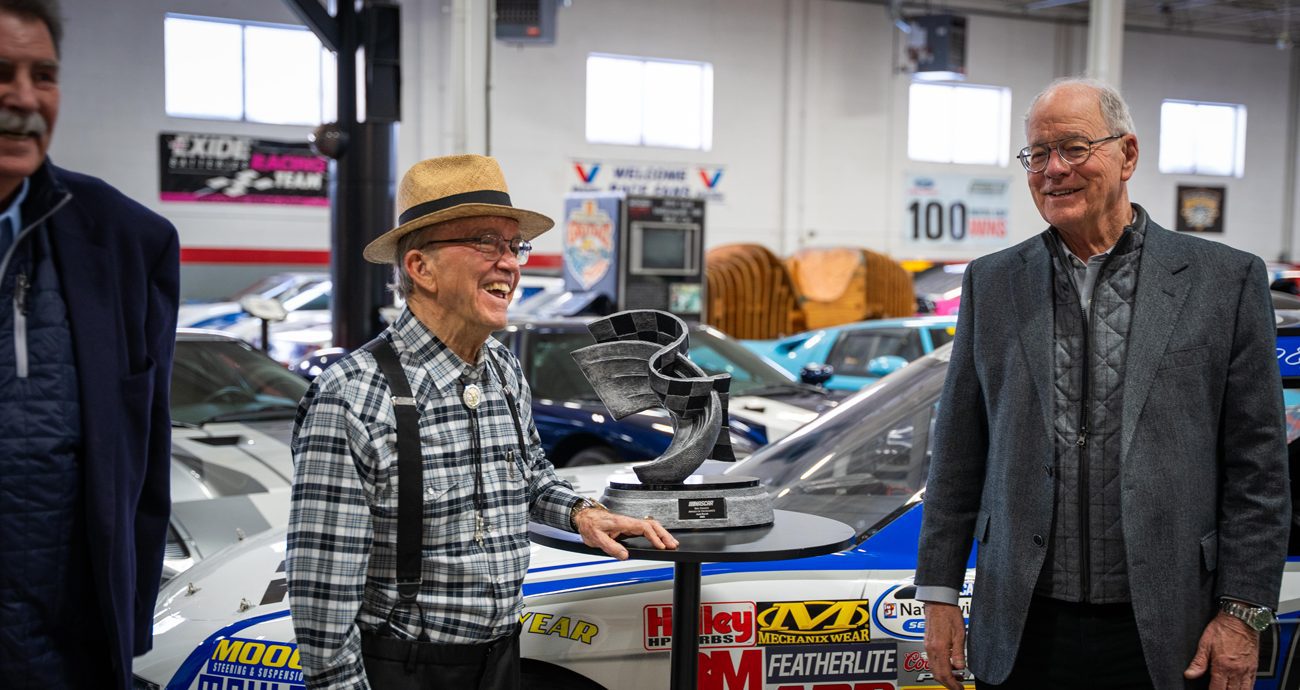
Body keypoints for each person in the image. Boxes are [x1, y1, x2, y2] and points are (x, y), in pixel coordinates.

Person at [915, 77, 1288, 690]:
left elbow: (1259, 470)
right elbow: (957, 455)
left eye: (1073, 148)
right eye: (1038, 154)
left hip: (1169, 629)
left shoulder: (1225, 283)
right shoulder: (993, 284)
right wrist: (938, 594)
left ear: (1128, 156)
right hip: (1024, 625)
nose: (1053, 170)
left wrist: (1242, 613)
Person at [286, 154, 678, 689]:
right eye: (484, 243)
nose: (511, 263)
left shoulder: (502, 368)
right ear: (420, 268)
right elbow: (323, 600)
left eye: (514, 246)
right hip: (404, 670)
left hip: (501, 661)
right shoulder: (352, 397)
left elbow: (532, 475)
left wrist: (585, 513)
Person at [0, 1, 180, 688]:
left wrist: (127, 628)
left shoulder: (126, 242)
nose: (22, 98)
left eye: (42, 74)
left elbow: (144, 460)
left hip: (66, 658)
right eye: (1, 72)